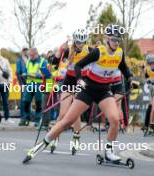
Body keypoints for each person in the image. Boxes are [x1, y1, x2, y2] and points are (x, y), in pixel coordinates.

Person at [24, 24, 133, 162]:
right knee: (66, 120)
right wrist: (80, 79)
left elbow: (123, 67)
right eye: (113, 40)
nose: (116, 43)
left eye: (118, 40)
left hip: (104, 91)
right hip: (87, 90)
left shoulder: (119, 53)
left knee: (115, 120)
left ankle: (109, 151)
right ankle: (42, 144)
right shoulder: (98, 52)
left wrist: (130, 77)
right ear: (107, 39)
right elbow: (78, 66)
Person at [49, 28, 91, 154]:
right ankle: (54, 136)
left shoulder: (89, 50)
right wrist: (60, 50)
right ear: (74, 41)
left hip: (82, 81)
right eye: (78, 42)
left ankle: (76, 137)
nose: (80, 45)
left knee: (75, 113)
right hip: (69, 81)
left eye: (82, 42)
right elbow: (54, 63)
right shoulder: (69, 50)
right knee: (62, 114)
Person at [19, 48, 49, 127]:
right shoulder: (28, 61)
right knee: (26, 102)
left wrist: (32, 75)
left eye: (31, 55)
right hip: (29, 84)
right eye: (29, 55)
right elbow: (26, 71)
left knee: (38, 103)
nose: (30, 57)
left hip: (38, 85)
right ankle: (26, 119)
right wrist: (24, 74)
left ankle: (38, 120)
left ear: (36, 54)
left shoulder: (43, 61)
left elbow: (45, 74)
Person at [16, 48, 28, 121]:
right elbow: (17, 73)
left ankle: (27, 116)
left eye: (26, 50)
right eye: (24, 50)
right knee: (23, 99)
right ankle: (23, 116)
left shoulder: (30, 59)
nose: (25, 51)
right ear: (22, 52)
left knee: (28, 99)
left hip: (30, 82)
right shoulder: (19, 60)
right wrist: (21, 83)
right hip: (23, 82)